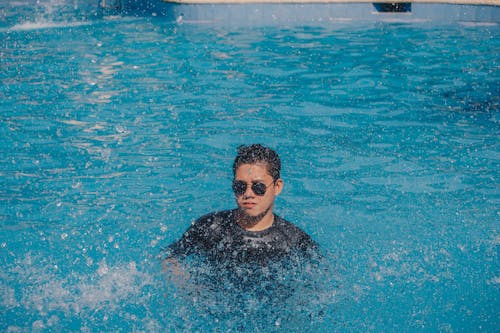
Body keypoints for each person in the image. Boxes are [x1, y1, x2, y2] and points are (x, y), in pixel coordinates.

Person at [162, 143, 319, 269]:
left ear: (277, 187)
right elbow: (169, 258)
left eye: (258, 187)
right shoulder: (211, 227)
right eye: (240, 187)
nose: (248, 193)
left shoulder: (293, 240)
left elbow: (323, 280)